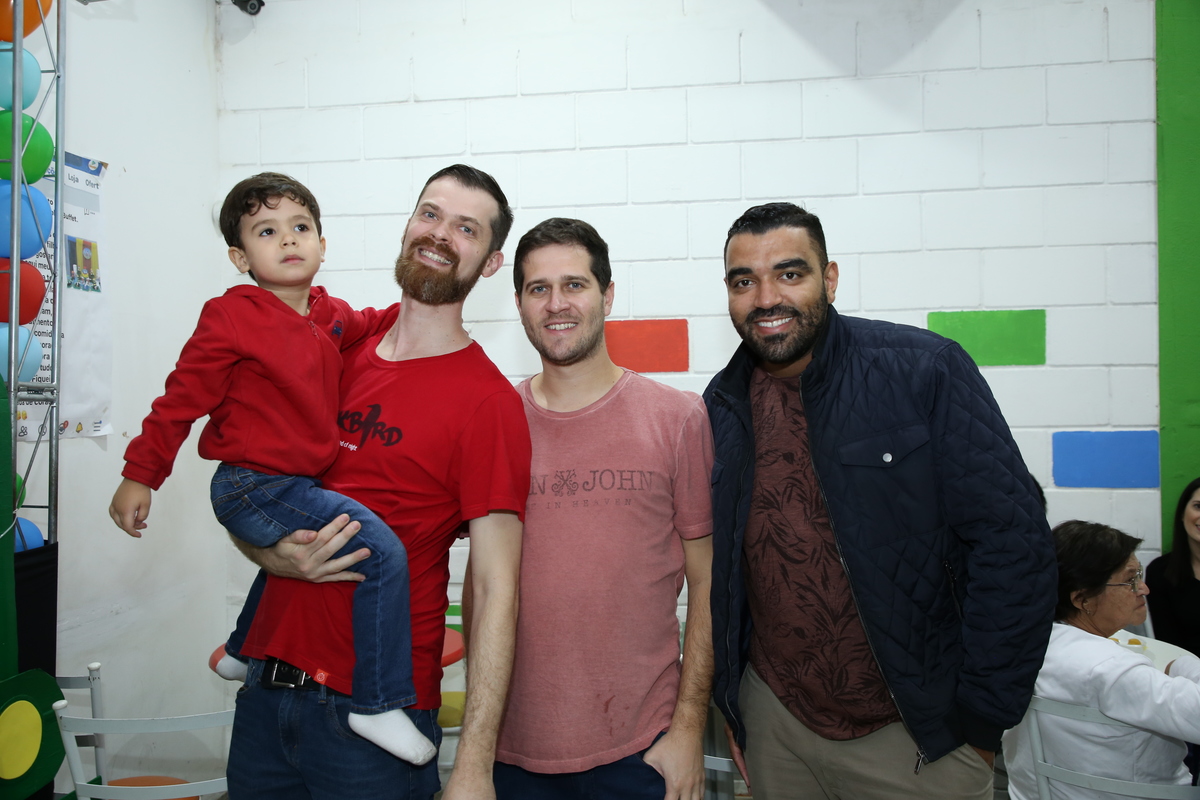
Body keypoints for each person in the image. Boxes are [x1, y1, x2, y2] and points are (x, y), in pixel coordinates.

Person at [704, 202, 1057, 799]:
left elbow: (1014, 546)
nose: (766, 298)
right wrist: (740, 710)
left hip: (916, 736)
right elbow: (730, 574)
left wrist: (980, 721)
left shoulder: (924, 370)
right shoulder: (722, 405)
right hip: (777, 723)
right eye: (744, 282)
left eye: (789, 273)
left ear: (830, 278)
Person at [225, 164, 531, 800]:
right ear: (409, 223)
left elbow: (496, 588)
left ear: (491, 263)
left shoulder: (488, 403)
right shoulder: (330, 351)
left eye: (466, 228)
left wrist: (475, 764)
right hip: (265, 690)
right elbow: (255, 486)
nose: (440, 233)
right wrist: (268, 555)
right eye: (430, 213)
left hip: (374, 717)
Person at [107, 172, 433, 764]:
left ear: (321, 244)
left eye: (300, 227)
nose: (287, 239)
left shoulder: (329, 315)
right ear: (240, 258)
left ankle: (239, 651)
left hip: (288, 485)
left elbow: (370, 320)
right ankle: (376, 703)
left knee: (298, 549)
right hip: (248, 483)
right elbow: (180, 400)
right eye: (266, 231)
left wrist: (422, 308)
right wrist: (140, 474)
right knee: (380, 551)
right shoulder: (231, 317)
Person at [489, 218, 715, 800]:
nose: (556, 304)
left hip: (642, 749)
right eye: (538, 288)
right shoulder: (492, 424)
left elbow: (710, 581)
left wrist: (688, 730)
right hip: (511, 751)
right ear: (518, 303)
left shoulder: (677, 418)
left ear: (607, 295)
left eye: (575, 285)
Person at [1003, 520, 1200, 800]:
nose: (1143, 589)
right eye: (1130, 580)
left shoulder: (1021, 644)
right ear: (1082, 599)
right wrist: (1182, 665)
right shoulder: (1112, 668)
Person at [1146, 477, 1200, 657]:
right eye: (1198, 506)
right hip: (1186, 672)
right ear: (1182, 514)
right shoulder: (1160, 572)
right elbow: (1168, 647)